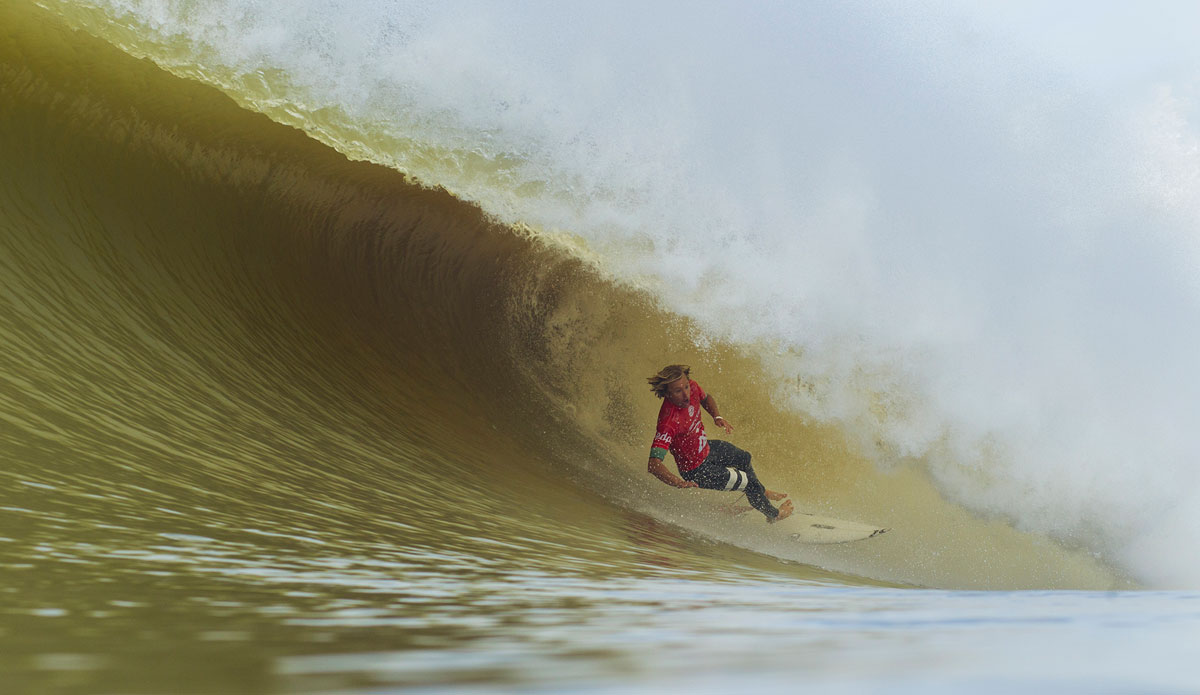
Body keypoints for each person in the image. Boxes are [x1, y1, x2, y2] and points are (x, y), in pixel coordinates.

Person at [645, 364, 793, 522]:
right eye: (677, 391)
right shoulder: (668, 422)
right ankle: (774, 515)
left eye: (686, 387)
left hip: (706, 448)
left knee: (744, 458)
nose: (686, 395)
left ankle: (760, 492)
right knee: (749, 483)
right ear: (667, 394)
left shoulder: (692, 387)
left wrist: (717, 417)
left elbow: (706, 398)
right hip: (697, 470)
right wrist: (678, 482)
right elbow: (653, 464)